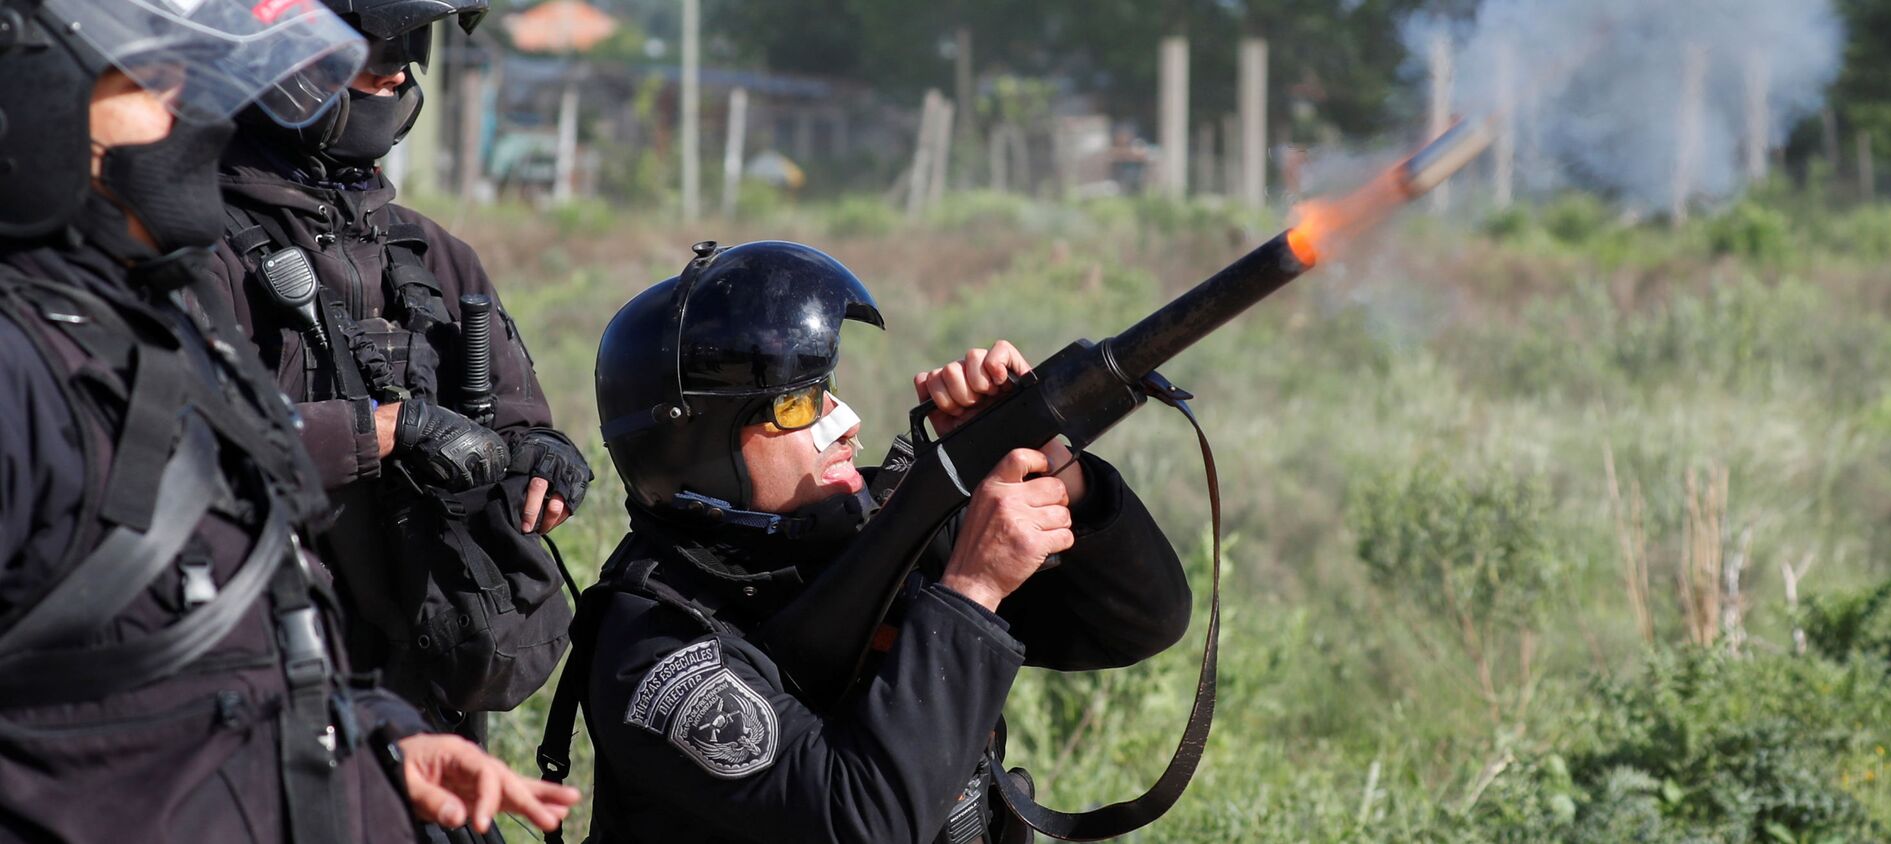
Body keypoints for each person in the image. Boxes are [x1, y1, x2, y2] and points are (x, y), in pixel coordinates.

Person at [0, 0, 577, 840]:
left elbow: (236, 650)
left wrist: (372, 735)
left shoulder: (429, 253)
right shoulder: (53, 349)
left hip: (378, 689)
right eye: (153, 87)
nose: (187, 114)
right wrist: (383, 431)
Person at [553, 240, 1193, 843]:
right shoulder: (656, 645)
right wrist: (970, 590)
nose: (847, 422)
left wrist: (1057, 473)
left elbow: (1140, 621)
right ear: (698, 445)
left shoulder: (867, 525)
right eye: (796, 407)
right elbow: (857, 822)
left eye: (826, 390)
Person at [195, 0, 592, 747]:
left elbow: (518, 422)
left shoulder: (435, 254)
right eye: (370, 49)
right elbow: (192, 444)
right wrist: (382, 430)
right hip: (265, 692)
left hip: (428, 697)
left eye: (412, 45)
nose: (398, 69)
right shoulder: (198, 249)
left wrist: (541, 462)